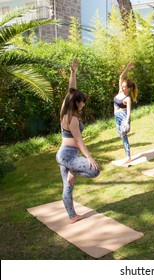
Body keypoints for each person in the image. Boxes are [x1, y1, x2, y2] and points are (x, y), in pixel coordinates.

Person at [56, 59, 100, 224]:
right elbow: (79, 141)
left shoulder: (64, 111)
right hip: (68, 155)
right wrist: (89, 157)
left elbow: (70, 91)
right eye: (82, 102)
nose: (83, 104)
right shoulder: (72, 119)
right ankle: (72, 171)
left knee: (68, 186)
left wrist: (73, 73)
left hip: (63, 155)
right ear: (76, 102)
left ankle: (72, 216)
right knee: (94, 171)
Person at [113, 62, 138, 166]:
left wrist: (127, 122)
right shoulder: (119, 92)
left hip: (123, 116)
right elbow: (121, 77)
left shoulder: (127, 98)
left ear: (128, 89)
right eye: (122, 86)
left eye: (124, 87)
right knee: (122, 137)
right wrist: (127, 68)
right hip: (116, 117)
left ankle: (128, 157)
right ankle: (128, 156)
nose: (122, 87)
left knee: (124, 133)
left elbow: (128, 112)